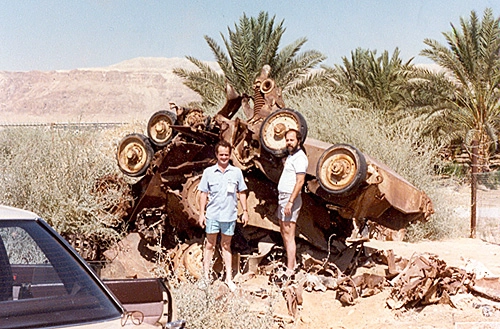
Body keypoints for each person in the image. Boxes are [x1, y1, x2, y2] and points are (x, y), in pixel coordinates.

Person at [198, 140, 249, 292]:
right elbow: (203, 193)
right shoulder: (208, 173)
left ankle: (229, 278)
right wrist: (202, 213)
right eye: (221, 155)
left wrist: (245, 211)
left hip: (229, 215)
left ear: (230, 155)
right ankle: (205, 277)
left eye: (226, 155)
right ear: (216, 155)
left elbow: (241, 192)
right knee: (209, 244)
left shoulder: (236, 172)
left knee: (226, 245)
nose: (224, 157)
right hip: (213, 214)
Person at [277, 128, 308, 277]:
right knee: (284, 231)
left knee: (289, 234)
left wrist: (290, 202)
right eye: (287, 140)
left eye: (292, 140)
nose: (289, 143)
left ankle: (290, 269)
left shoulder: (300, 157)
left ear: (299, 141)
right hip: (283, 197)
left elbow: (300, 181)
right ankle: (291, 263)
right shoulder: (291, 156)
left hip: (290, 198)